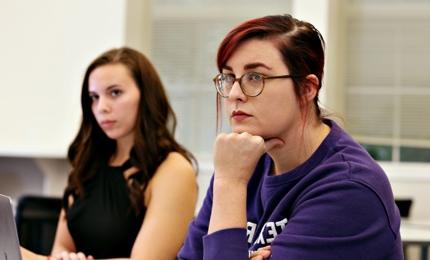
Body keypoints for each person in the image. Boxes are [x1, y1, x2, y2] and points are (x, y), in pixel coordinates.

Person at [177, 14, 403, 260]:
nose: (234, 94)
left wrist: (229, 184)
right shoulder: (240, 162)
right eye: (230, 77)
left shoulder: (350, 188)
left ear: (307, 89)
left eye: (255, 77)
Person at [22, 47, 197, 260]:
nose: (101, 107)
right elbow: (60, 248)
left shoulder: (173, 169)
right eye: (94, 97)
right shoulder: (87, 164)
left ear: (146, 96)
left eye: (115, 93)